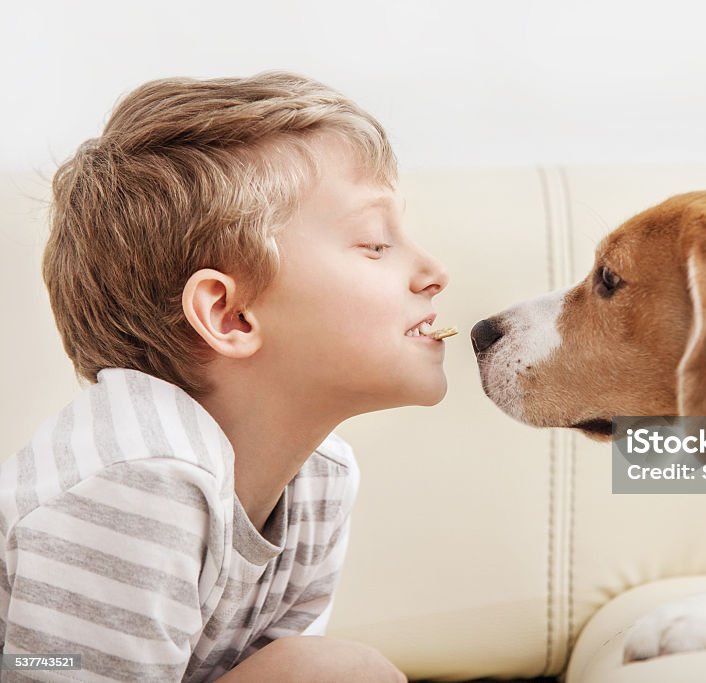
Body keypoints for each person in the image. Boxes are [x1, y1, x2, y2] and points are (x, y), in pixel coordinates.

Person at [0, 71, 451, 681]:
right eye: (374, 243)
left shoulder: (321, 479)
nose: (434, 272)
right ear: (231, 315)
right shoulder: (140, 479)